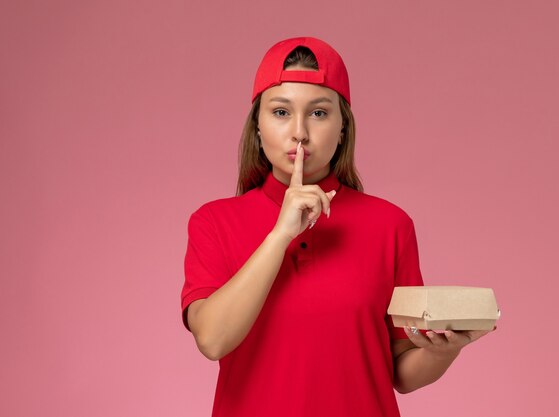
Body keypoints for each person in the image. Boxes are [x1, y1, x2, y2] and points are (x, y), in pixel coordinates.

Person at [181, 36, 492, 417]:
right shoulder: (213, 222)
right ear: (257, 128)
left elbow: (402, 372)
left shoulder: (390, 225)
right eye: (280, 112)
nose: (299, 131)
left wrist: (446, 350)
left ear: (342, 128)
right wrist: (281, 234)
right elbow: (212, 339)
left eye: (319, 113)